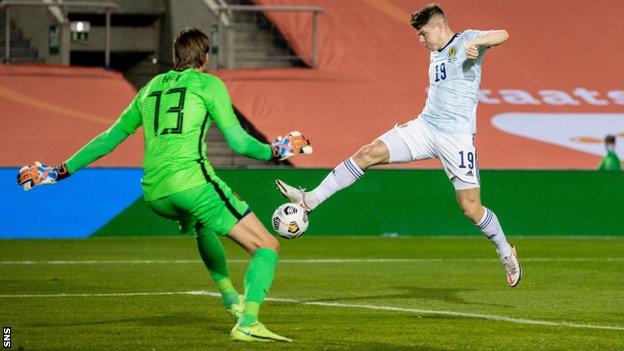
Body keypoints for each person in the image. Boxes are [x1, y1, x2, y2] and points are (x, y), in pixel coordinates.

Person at [17, 27, 312, 342]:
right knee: (267, 247)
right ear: (206, 56)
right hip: (192, 183)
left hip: (155, 193)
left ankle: (230, 299)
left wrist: (58, 171)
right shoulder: (209, 84)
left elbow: (109, 139)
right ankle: (248, 322)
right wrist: (275, 152)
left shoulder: (150, 88)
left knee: (203, 225)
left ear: (176, 57)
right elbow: (239, 143)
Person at [276, 3, 521, 287]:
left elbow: (503, 34)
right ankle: (309, 201)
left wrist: (478, 42)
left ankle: (505, 250)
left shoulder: (466, 40)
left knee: (470, 208)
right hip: (426, 127)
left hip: (457, 138)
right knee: (367, 153)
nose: (420, 40)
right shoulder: (435, 54)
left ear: (439, 26)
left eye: (423, 33)